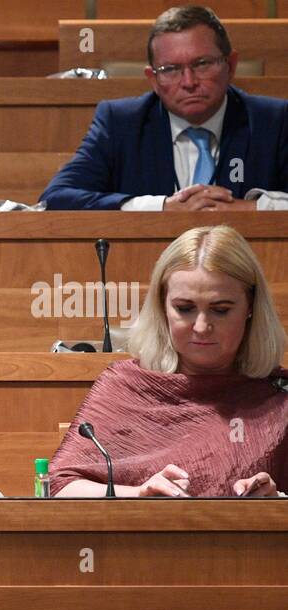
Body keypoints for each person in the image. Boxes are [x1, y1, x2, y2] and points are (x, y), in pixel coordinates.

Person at [51, 225, 287, 497]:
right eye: (184, 309)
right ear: (162, 307)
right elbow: (59, 487)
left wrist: (278, 501)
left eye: (220, 310)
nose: (201, 326)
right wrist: (139, 494)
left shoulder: (278, 395)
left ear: (250, 308)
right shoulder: (125, 386)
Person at [41, 6, 288, 211]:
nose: (189, 82)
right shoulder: (120, 123)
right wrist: (162, 207)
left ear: (230, 66)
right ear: (153, 80)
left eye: (202, 64)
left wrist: (251, 209)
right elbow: (56, 198)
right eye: (170, 70)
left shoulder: (273, 121)